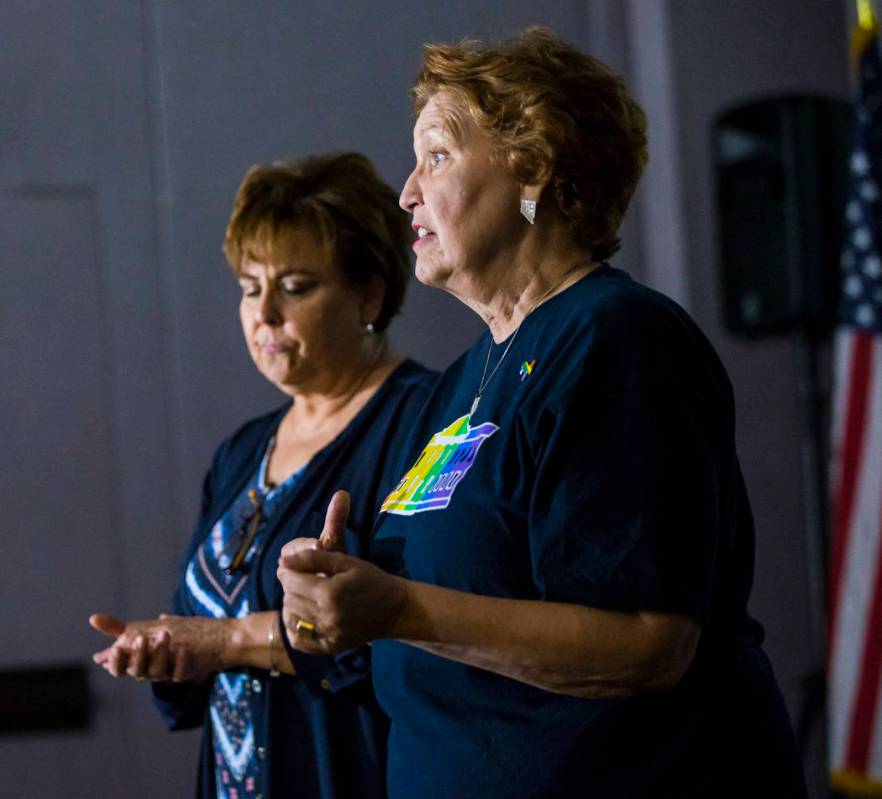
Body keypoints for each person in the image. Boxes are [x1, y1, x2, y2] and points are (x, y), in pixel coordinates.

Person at [276, 29, 808, 799]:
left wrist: (398, 608)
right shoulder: (462, 381)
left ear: (534, 163)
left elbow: (650, 644)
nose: (407, 193)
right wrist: (326, 599)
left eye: (437, 156)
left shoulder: (617, 338)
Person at [89, 151, 437, 799]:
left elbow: (415, 643)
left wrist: (222, 641)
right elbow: (202, 657)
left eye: (296, 286)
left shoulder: (427, 423)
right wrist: (167, 653)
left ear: (369, 293)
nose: (265, 313)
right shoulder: (241, 449)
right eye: (251, 288)